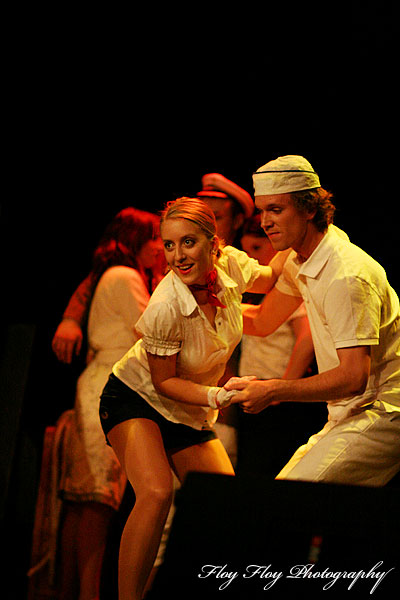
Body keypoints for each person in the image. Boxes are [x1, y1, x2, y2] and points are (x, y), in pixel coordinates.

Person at [98, 197, 288, 600]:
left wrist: (305, 237)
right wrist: (219, 393)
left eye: (187, 243)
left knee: (226, 507)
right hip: (136, 398)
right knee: (155, 493)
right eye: (169, 245)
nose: (177, 256)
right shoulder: (165, 305)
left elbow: (270, 277)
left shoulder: (231, 264)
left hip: (186, 412)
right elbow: (163, 382)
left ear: (213, 242)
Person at [226, 154, 400, 487]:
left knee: (288, 505)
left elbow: (353, 377)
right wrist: (203, 308)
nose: (264, 222)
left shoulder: (345, 275)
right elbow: (262, 321)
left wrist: (274, 389)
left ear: (309, 209)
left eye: (275, 210)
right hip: (347, 412)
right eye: (261, 210)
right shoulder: (300, 257)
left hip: (382, 412)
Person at [58, 207, 162, 600]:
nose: (159, 248)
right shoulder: (125, 275)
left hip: (104, 379)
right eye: (155, 239)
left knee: (92, 501)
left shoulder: (116, 274)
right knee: (98, 499)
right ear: (135, 240)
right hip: (107, 384)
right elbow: (149, 329)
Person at [237, 213, 322, 477]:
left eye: (257, 248)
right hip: (256, 389)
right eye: (246, 250)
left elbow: (307, 337)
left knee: (270, 472)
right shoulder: (259, 289)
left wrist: (283, 388)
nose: (251, 258)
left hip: (275, 392)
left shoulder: (288, 284)